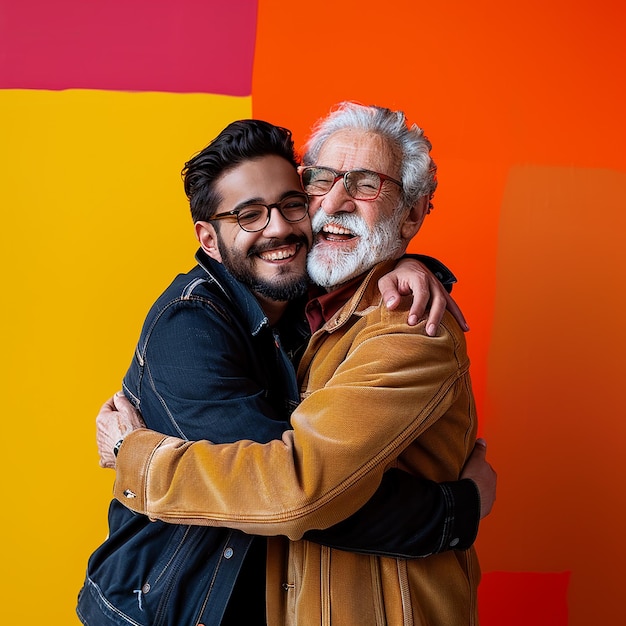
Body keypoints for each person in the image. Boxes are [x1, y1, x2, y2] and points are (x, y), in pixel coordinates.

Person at [96, 103, 496, 626]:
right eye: (322, 180)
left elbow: (299, 491)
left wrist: (135, 457)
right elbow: (293, 492)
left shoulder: (403, 323)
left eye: (366, 185)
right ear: (208, 239)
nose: (333, 202)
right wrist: (455, 512)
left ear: (414, 214)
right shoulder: (198, 325)